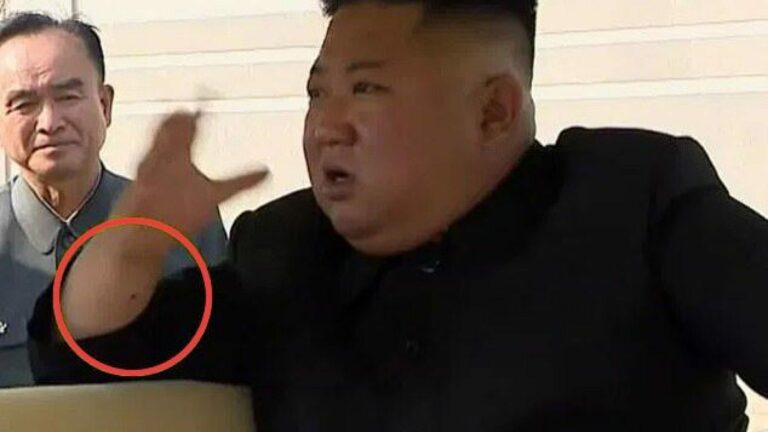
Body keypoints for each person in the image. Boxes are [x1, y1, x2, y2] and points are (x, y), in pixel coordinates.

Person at [28, 1, 768, 431]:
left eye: (367, 90)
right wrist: (135, 238)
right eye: (317, 93)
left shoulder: (632, 199)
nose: (327, 127)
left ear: (493, 111)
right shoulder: (287, 251)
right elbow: (90, 356)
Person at [0, 12, 228, 388]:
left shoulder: (181, 225)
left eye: (68, 96)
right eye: (24, 104)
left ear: (105, 105)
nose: (50, 122)